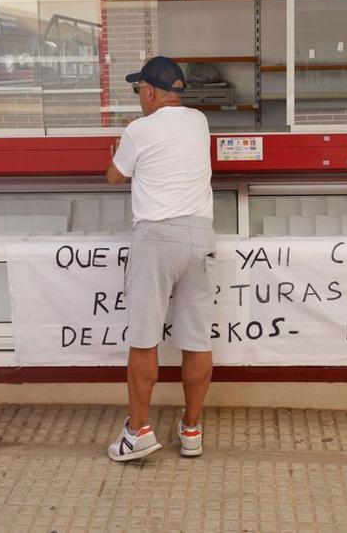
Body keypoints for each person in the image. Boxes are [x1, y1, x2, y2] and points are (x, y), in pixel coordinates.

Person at [105, 56, 215, 462]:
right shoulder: (199, 121)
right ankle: (191, 431)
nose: (139, 97)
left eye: (139, 90)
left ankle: (138, 432)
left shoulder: (139, 129)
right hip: (200, 236)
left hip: (157, 238)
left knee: (143, 338)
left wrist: (120, 154)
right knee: (196, 340)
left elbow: (114, 176)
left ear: (150, 92)